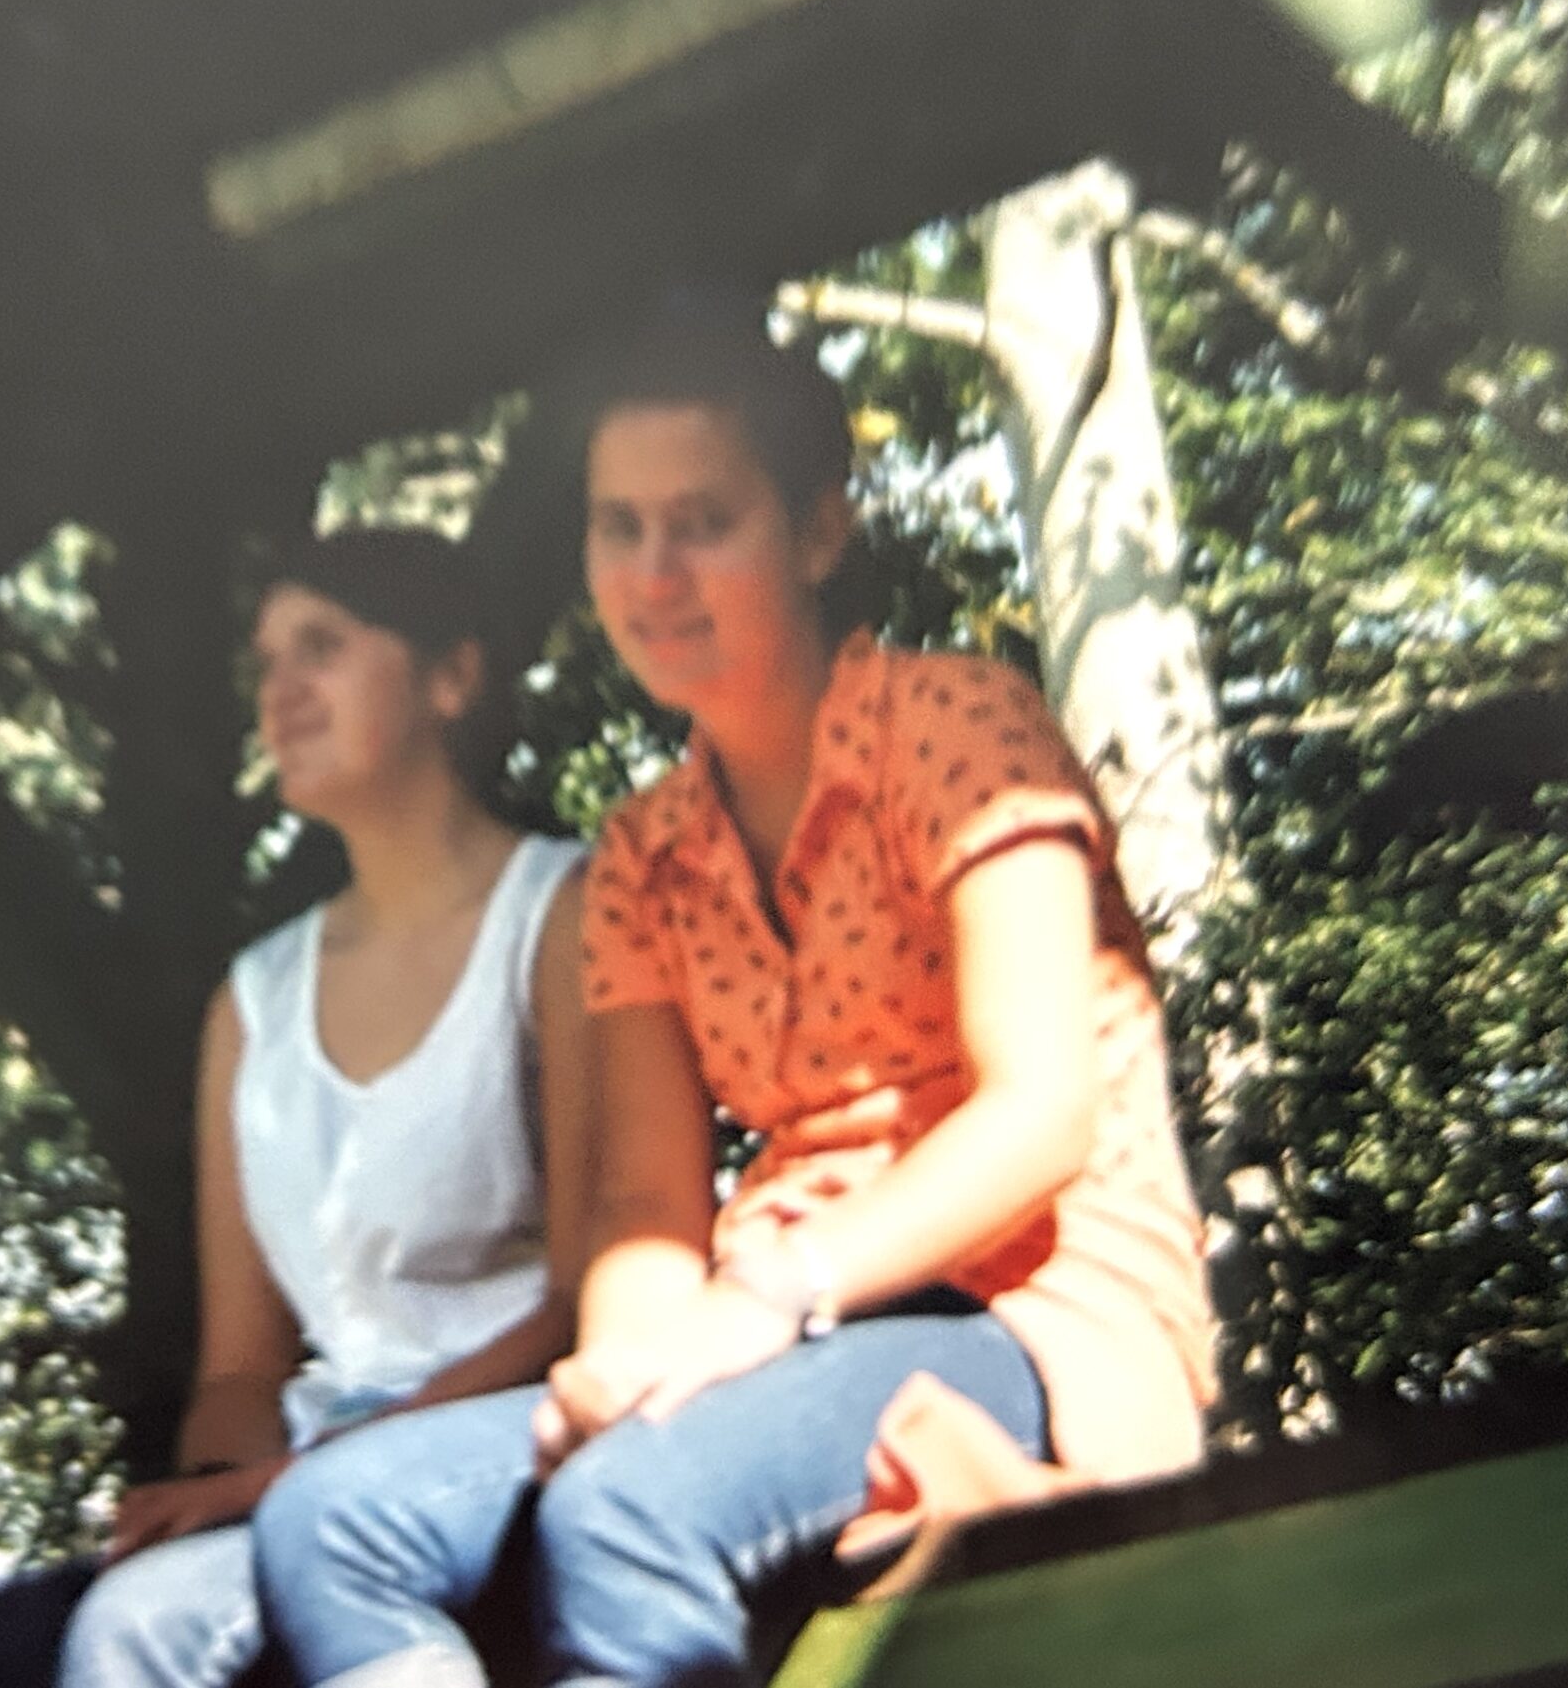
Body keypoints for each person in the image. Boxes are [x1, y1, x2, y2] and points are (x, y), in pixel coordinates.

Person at [250, 310, 1218, 1688]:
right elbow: (648, 1203)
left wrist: (770, 1296)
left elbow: (1043, 1112)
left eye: (702, 523)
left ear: (817, 533)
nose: (654, 576)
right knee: (333, 1523)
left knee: (623, 1515)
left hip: (1031, 1301)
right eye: (618, 528)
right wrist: (628, 1371)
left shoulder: (957, 727)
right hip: (773, 1330)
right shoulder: (644, 853)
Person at [0, 526, 593, 1688]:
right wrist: (219, 1493)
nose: (280, 690)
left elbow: (585, 1295)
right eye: (266, 662)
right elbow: (241, 1372)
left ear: (452, 676)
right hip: (310, 1463)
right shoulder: (253, 1003)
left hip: (514, 1433)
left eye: (323, 646)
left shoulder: (559, 912)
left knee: (135, 1636)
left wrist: (292, 1485)